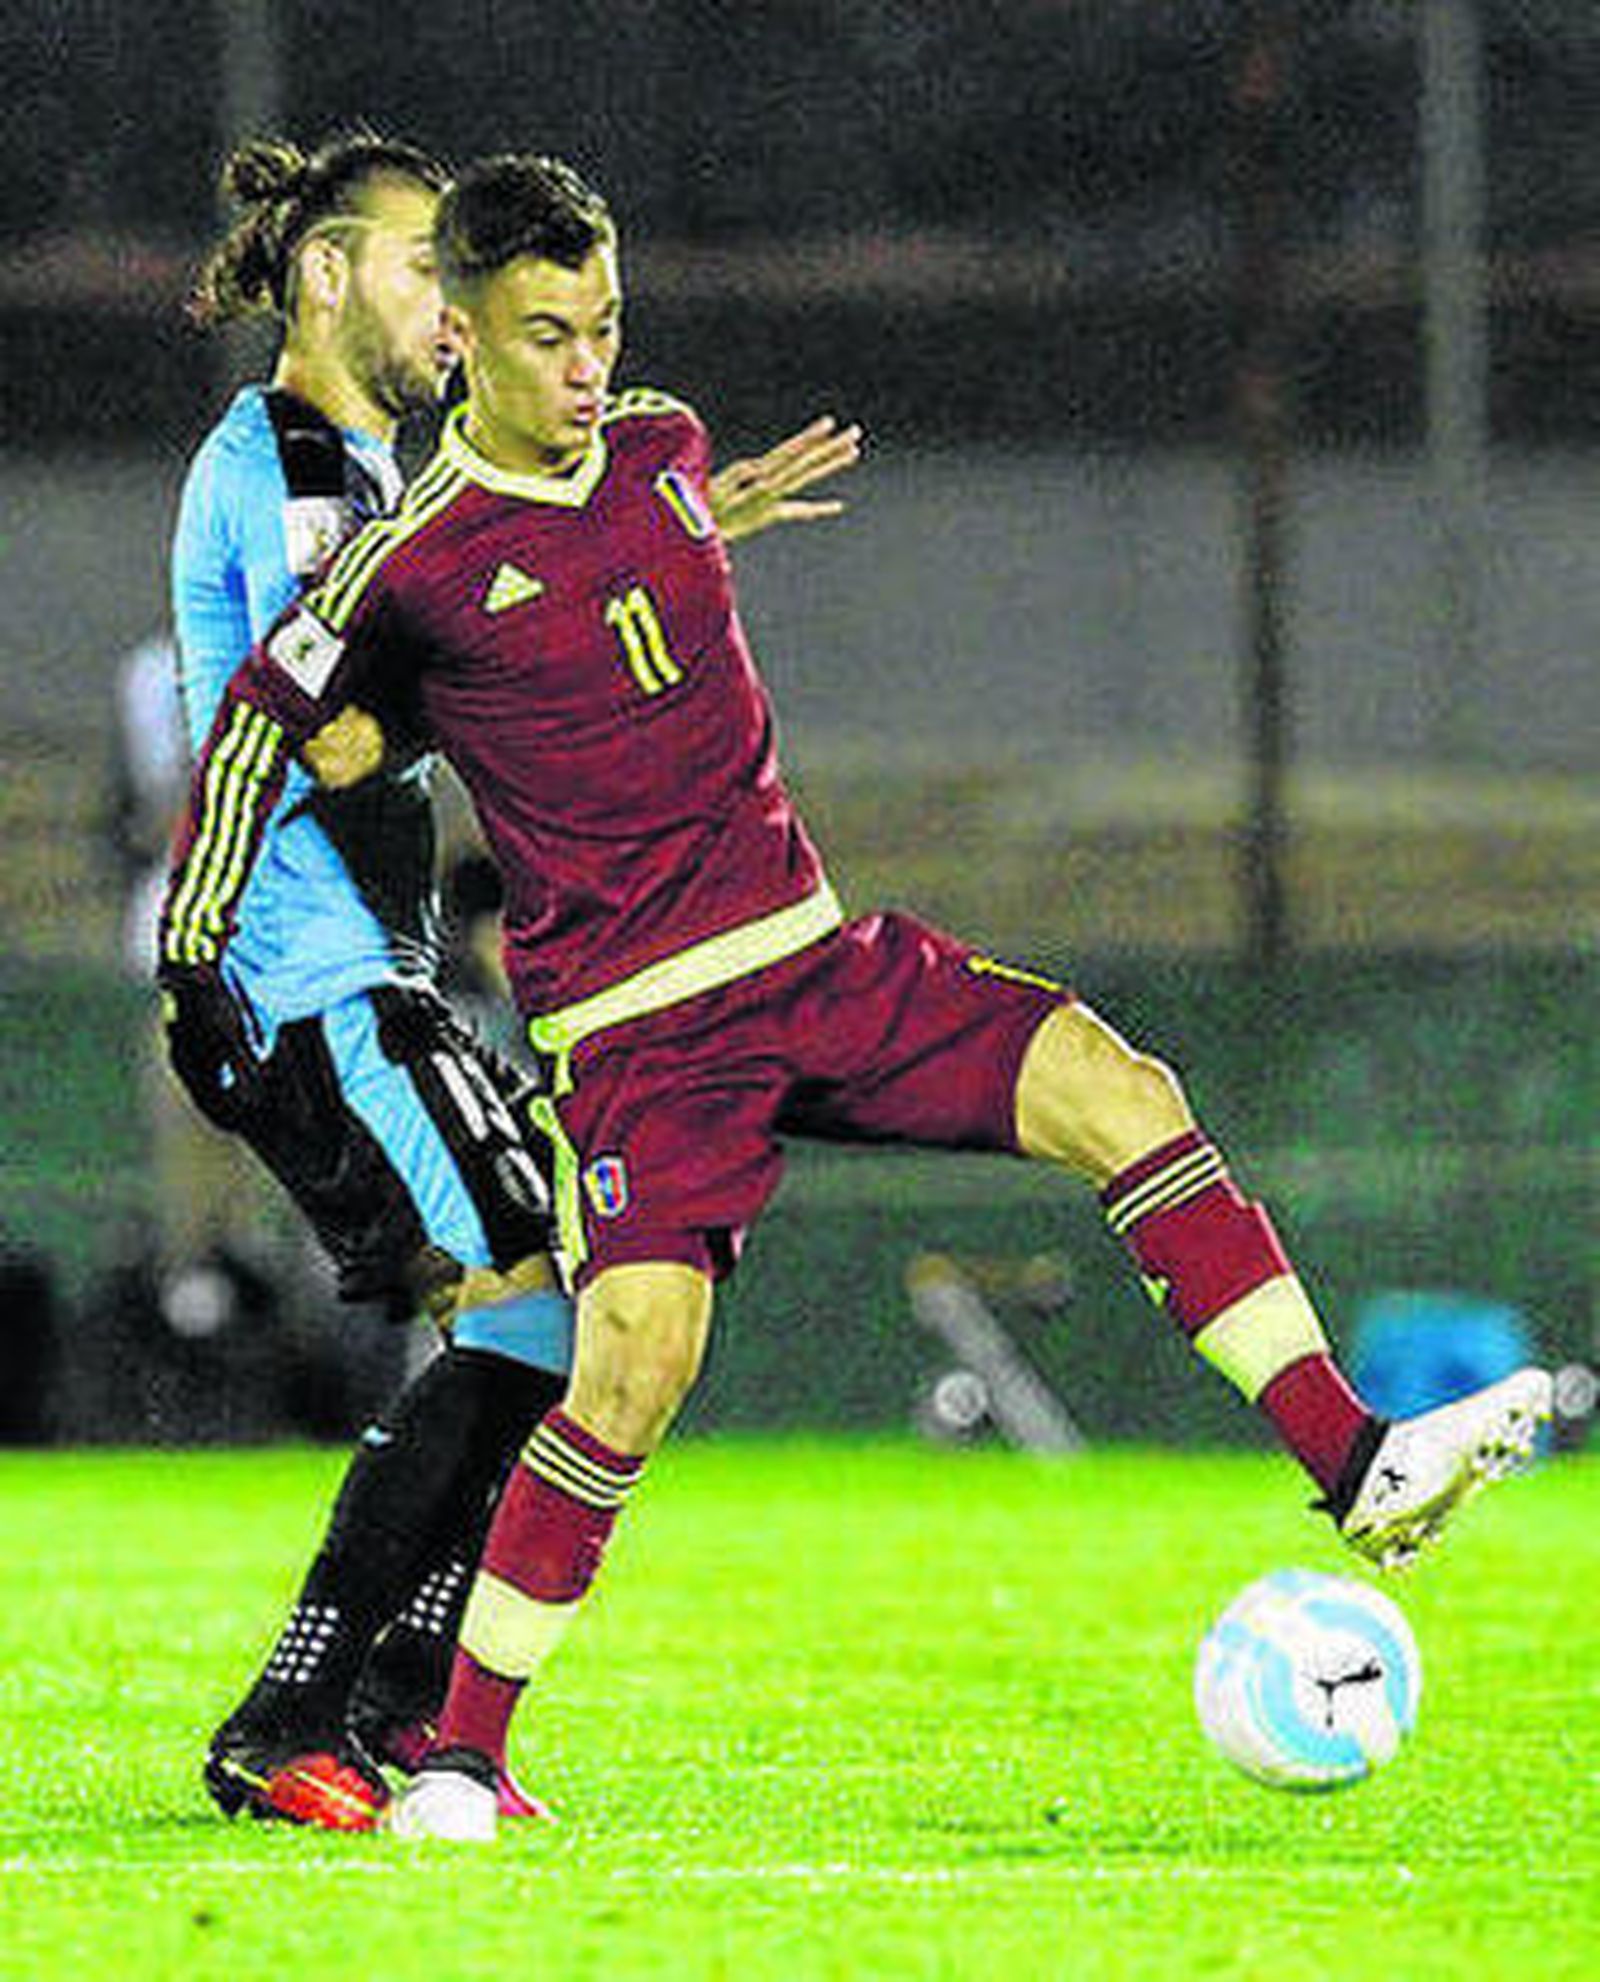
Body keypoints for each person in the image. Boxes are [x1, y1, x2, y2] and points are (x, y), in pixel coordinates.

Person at [157, 152, 1553, 1845]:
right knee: (624, 1369)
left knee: (1122, 1085)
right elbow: (269, 716)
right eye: (549, 334)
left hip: (818, 964)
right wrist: (201, 934)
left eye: (604, 324)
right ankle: (458, 1753)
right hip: (643, 1035)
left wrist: (683, 525)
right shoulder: (405, 558)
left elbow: (607, 587)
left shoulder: (662, 450)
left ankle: (1355, 1457)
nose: (590, 364)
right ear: (464, 333)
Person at [163, 133, 861, 1833]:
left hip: (363, 962)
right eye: (421, 271)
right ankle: (305, 1716)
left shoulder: (376, 473)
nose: (447, 313)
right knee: (538, 1313)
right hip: (309, 966)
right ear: (328, 277)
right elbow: (323, 715)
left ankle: (394, 1709)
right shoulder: (302, 463)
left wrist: (663, 533)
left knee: (550, 1325)